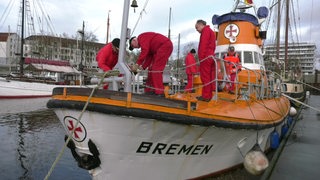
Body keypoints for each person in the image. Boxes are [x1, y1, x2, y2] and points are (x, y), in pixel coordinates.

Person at [195, 19, 216, 101]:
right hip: (210, 56)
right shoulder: (210, 31)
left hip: (205, 57)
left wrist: (201, 58)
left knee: (205, 77)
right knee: (209, 77)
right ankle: (208, 95)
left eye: (197, 27)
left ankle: (206, 96)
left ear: (201, 25)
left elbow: (203, 45)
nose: (196, 29)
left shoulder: (205, 31)